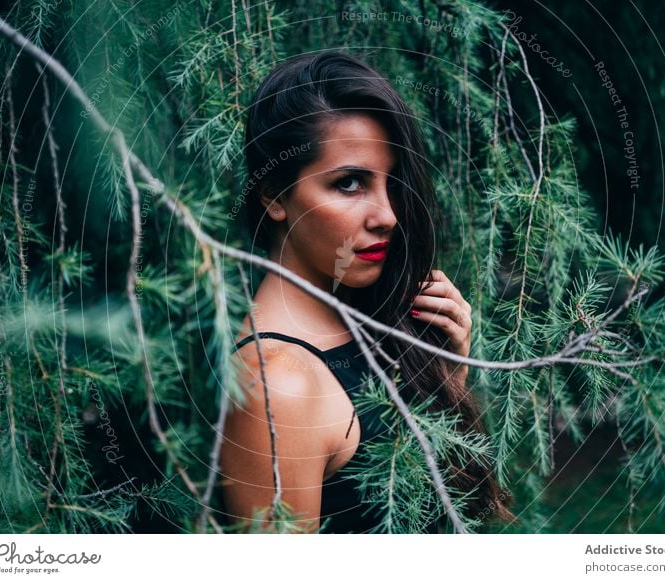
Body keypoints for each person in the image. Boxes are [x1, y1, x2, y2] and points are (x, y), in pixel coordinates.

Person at [218, 50, 515, 533]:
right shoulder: (278, 388)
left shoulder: (374, 325)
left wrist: (448, 374)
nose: (388, 215)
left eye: (390, 182)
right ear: (273, 195)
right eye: (349, 183)